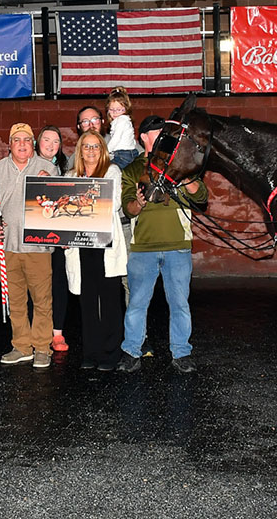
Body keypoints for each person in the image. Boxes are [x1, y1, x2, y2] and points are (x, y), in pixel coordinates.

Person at [118, 116, 208, 374]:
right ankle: (131, 351)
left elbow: (202, 197)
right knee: (137, 303)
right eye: (155, 132)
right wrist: (139, 202)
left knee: (180, 304)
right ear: (144, 137)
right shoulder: (133, 169)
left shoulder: (180, 164)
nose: (160, 136)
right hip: (143, 248)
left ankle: (181, 352)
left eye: (162, 132)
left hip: (177, 246)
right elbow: (129, 208)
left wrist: (188, 179)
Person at [0, 123, 56, 369]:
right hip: (8, 247)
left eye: (27, 140)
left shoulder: (48, 168)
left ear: (33, 144)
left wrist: (51, 184)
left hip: (38, 247)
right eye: (17, 140)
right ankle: (22, 346)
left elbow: (61, 207)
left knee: (42, 300)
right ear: (9, 144)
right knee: (15, 300)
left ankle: (43, 347)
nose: (22, 144)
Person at [64, 131, 126, 371]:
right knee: (87, 302)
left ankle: (111, 353)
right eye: (86, 147)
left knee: (110, 300)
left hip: (105, 244)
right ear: (80, 150)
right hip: (81, 246)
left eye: (96, 147)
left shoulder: (112, 172)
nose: (90, 151)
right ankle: (91, 352)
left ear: (103, 150)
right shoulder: (70, 175)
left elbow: (115, 203)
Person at [35, 125, 71, 353]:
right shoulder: (26, 165)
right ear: (38, 142)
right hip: (34, 239)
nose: (50, 145)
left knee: (59, 284)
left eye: (55, 141)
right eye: (46, 139)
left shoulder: (66, 170)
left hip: (57, 239)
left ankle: (57, 333)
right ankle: (37, 333)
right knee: (37, 287)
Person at [105, 86, 140, 170]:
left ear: (126, 109)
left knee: (108, 170)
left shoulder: (121, 121)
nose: (115, 113)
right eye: (112, 109)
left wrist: (105, 151)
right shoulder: (124, 121)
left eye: (119, 109)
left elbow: (116, 139)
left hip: (123, 154)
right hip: (128, 153)